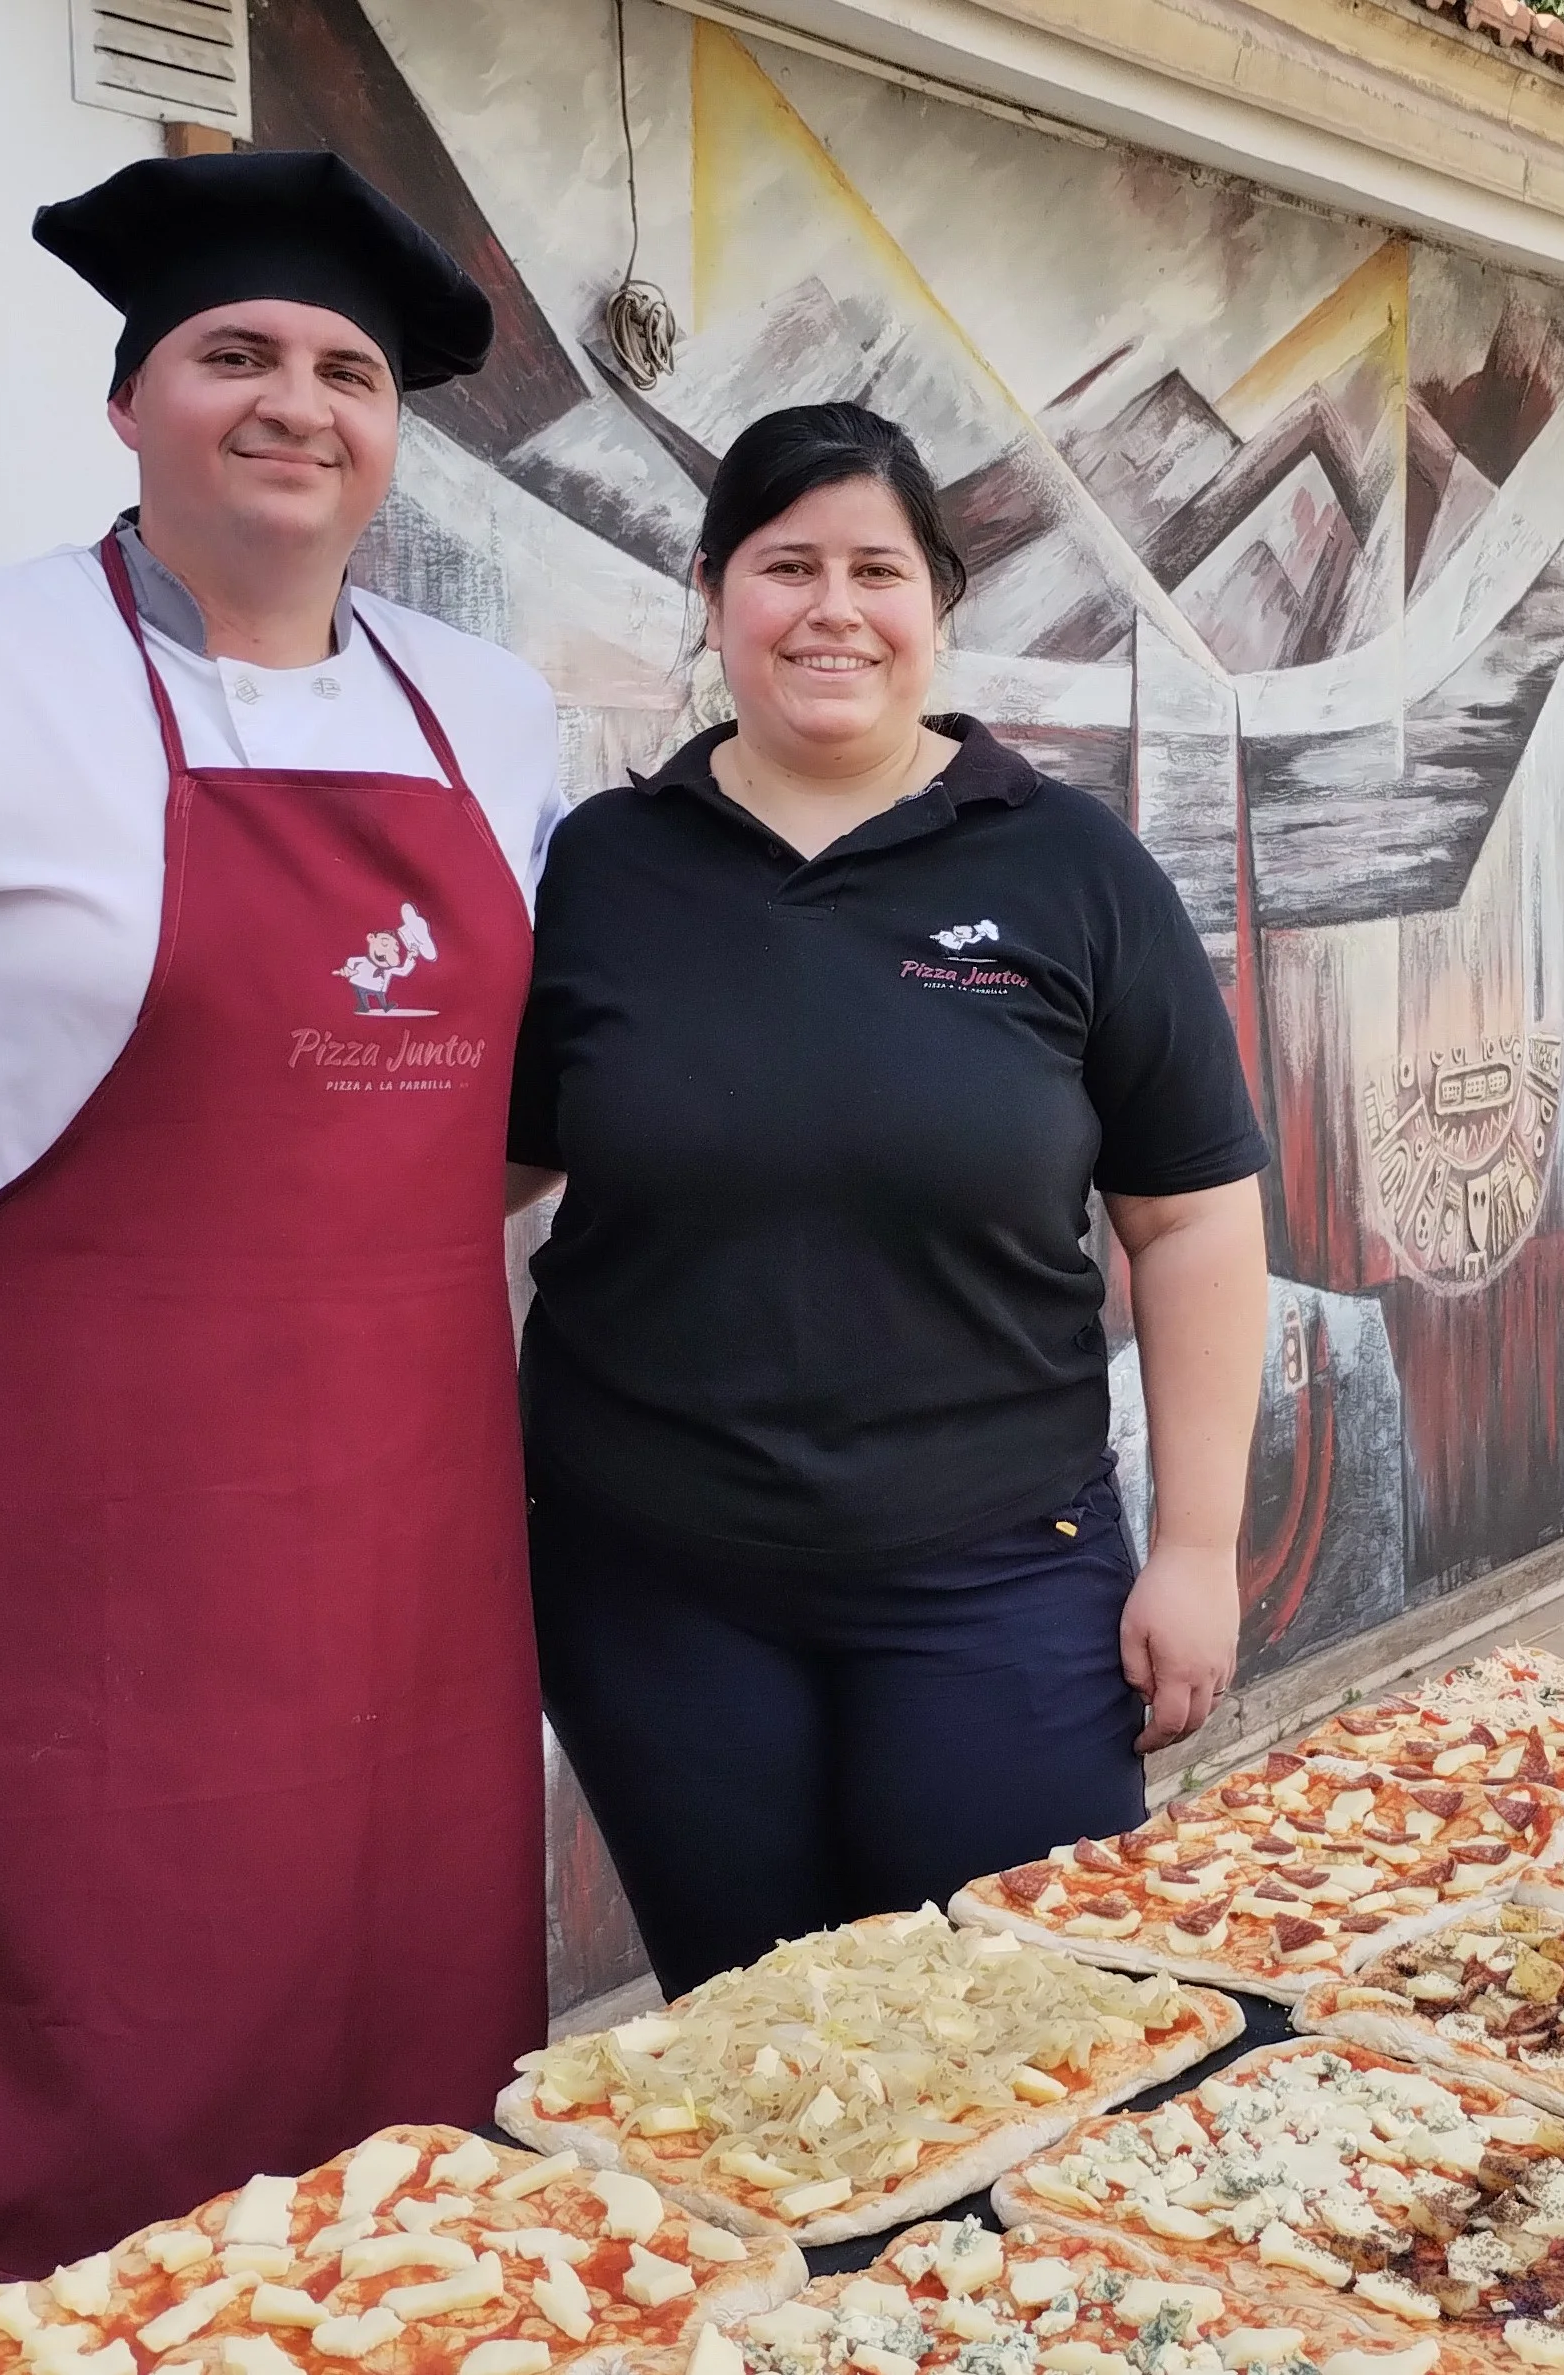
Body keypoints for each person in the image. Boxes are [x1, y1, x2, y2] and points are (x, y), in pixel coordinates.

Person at [0, 150, 568, 2283]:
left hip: (415, 1554)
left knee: (408, 2134)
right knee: (92, 2130)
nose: (295, 402)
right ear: (129, 403)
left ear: (390, 432)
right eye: (232, 353)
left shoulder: (497, 716)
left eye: (345, 369)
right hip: (72, 1559)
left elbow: (514, 1114)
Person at [511, 403, 1272, 1992]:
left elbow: (1191, 1213)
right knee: (750, 2042)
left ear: (939, 603)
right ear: (716, 593)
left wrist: (1199, 1545)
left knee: (1026, 2018)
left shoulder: (1070, 867)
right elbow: (471, 1175)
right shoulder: (600, 870)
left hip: (995, 1574)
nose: (833, 608)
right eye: (787, 565)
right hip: (658, 1593)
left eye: (879, 568)